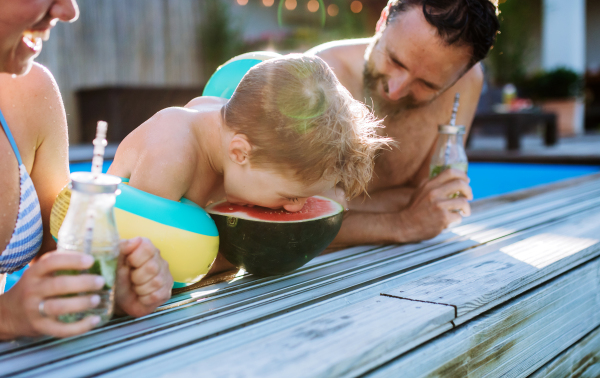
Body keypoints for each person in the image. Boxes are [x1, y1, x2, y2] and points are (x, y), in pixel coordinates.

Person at [108, 54, 391, 274]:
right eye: (290, 196)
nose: (296, 207)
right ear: (241, 153)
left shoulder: (237, 131)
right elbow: (142, 266)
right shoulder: (170, 155)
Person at [0, 0, 173, 340]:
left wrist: (107, 284)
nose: (68, 10)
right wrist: (6, 317)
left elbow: (60, 257)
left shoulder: (31, 94)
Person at [306, 0, 500, 245]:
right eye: (394, 60)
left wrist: (340, 208)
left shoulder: (468, 81)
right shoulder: (317, 78)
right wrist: (403, 224)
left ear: (460, 76)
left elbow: (432, 196)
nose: (395, 90)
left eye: (427, 84)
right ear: (383, 20)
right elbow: (292, 220)